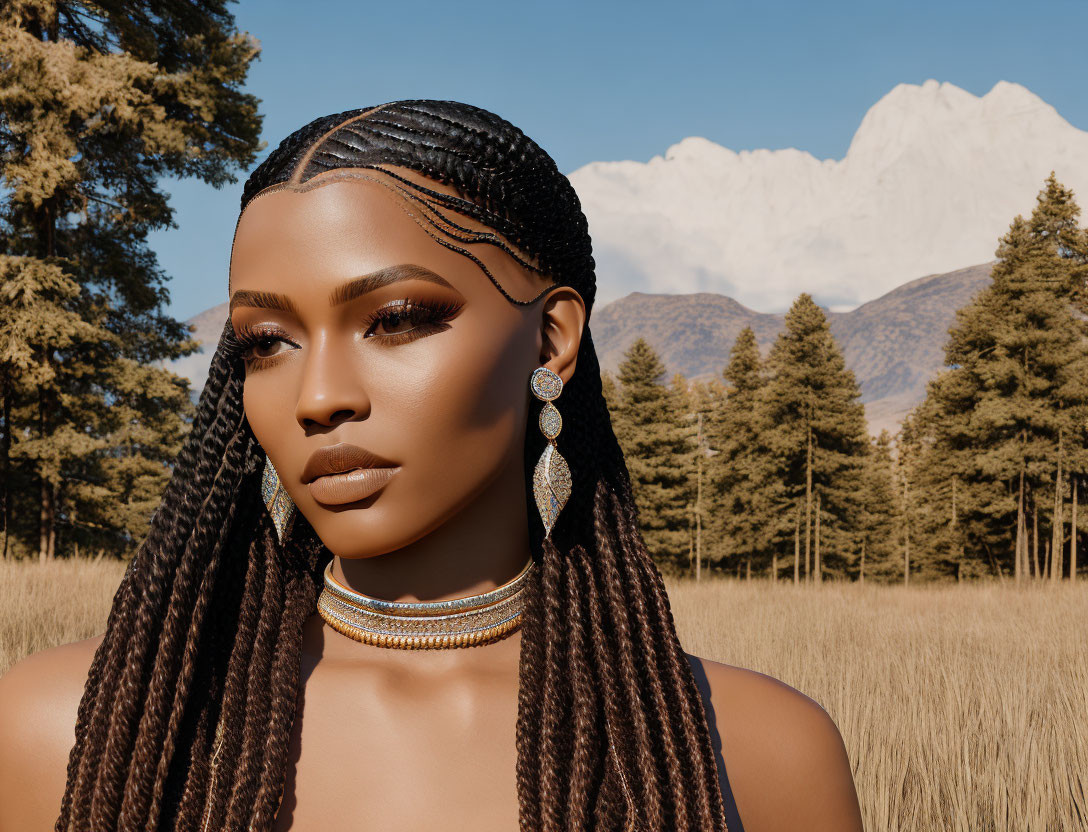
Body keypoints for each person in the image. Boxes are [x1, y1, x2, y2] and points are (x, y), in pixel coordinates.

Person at [0, 100, 863, 832]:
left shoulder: (759, 754)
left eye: (399, 318)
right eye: (267, 343)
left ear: (552, 338)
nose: (318, 396)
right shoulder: (71, 732)